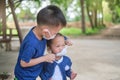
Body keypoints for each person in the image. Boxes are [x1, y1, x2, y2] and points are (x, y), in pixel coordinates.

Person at [14, 5, 68, 80]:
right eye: (55, 33)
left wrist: (65, 39)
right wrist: (44, 58)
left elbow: (53, 37)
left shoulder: (42, 34)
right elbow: (23, 63)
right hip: (24, 77)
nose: (55, 35)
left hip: (33, 74)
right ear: (45, 31)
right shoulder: (31, 43)